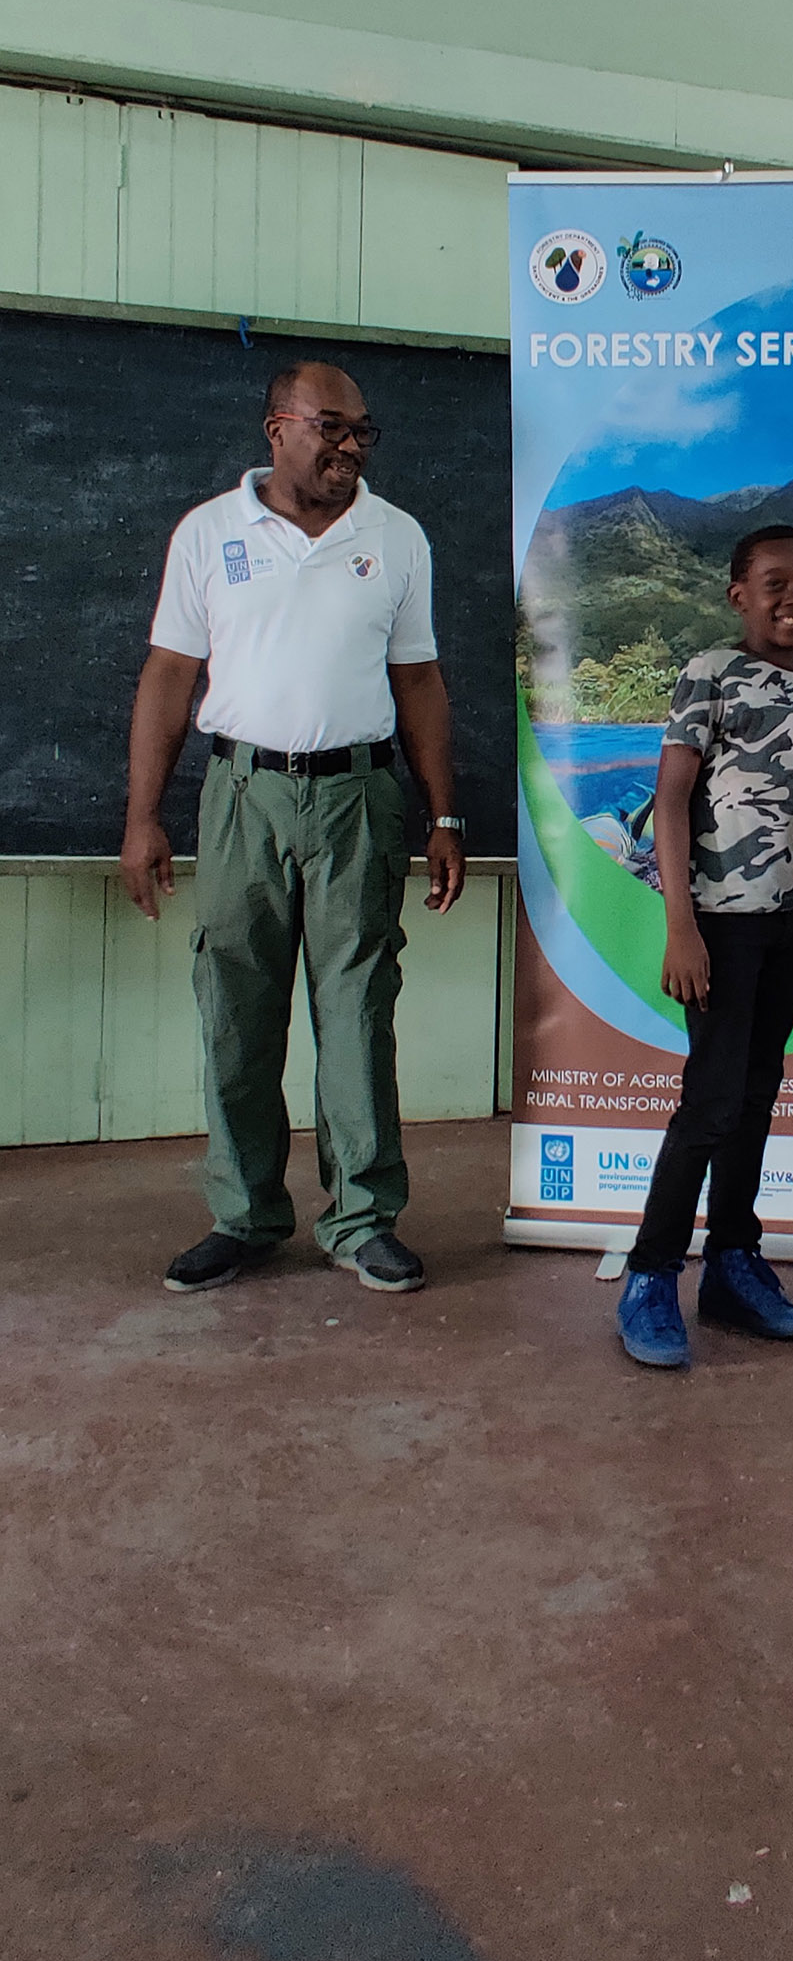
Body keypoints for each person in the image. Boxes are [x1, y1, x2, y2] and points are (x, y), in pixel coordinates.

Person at [120, 362, 466, 1296]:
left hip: (359, 797)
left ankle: (362, 1219)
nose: (350, 447)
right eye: (331, 428)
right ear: (278, 429)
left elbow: (419, 679)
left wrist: (442, 812)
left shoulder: (396, 536)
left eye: (362, 432)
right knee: (236, 1007)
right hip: (242, 794)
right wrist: (142, 816)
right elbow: (169, 674)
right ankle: (244, 1215)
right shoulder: (208, 532)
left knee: (357, 1009)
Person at [615, 525, 793, 1370]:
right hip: (721, 926)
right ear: (739, 594)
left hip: (790, 922)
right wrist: (681, 926)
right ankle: (650, 1274)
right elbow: (670, 800)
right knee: (710, 1102)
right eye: (776, 583)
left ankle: (734, 1262)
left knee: (756, 1093)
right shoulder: (710, 671)